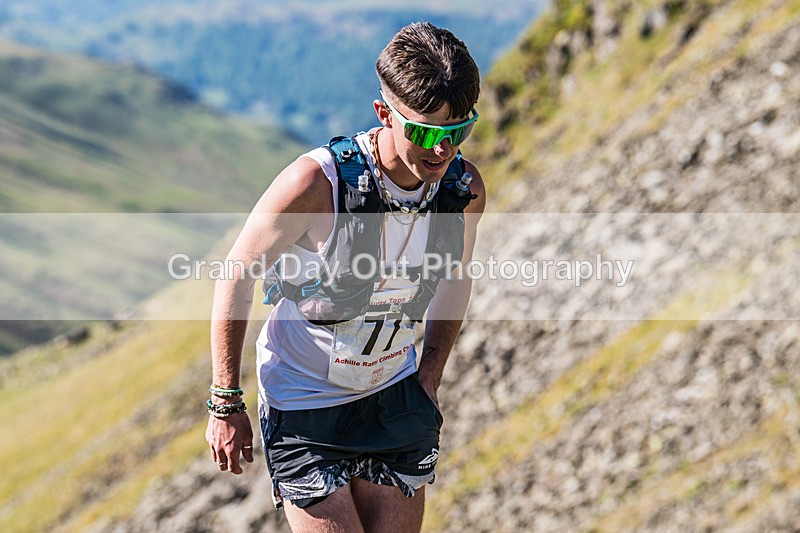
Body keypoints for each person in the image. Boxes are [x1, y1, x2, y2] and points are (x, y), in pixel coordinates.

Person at [205, 21, 485, 532]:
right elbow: (237, 273)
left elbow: (455, 279)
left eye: (458, 132)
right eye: (424, 132)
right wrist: (226, 399)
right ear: (384, 113)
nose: (442, 151)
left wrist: (430, 377)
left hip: (394, 392)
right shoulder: (316, 183)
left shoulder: (462, 190)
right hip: (304, 401)